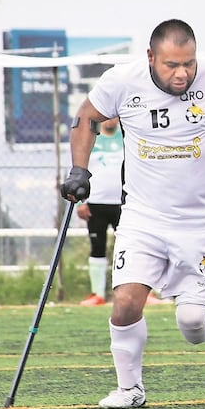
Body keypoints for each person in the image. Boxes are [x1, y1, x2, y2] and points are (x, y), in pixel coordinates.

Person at [60, 19, 205, 409]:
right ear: (151, 58)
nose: (182, 74)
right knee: (126, 300)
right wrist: (80, 171)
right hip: (141, 218)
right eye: (171, 65)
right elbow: (86, 118)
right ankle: (130, 389)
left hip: (196, 223)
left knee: (192, 324)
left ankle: (195, 308)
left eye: (188, 64)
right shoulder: (121, 81)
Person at [77, 117, 124, 307]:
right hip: (96, 203)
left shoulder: (128, 138)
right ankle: (97, 294)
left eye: (115, 115)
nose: (112, 120)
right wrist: (83, 201)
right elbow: (80, 170)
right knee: (98, 247)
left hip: (124, 203)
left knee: (133, 248)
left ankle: (141, 293)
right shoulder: (91, 140)